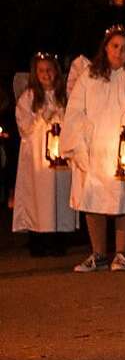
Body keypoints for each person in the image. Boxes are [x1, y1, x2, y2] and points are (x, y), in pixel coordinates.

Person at [63, 25, 125, 272]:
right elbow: (75, 109)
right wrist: (79, 138)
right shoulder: (89, 76)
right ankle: (98, 254)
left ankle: (121, 253)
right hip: (95, 148)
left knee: (123, 200)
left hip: (123, 150)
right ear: (106, 47)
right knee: (93, 198)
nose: (119, 52)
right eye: (115, 46)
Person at [12, 53, 76, 256]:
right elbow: (24, 128)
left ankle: (59, 239)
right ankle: (38, 240)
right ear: (35, 74)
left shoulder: (64, 96)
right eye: (41, 71)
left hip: (61, 157)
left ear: (56, 71)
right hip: (38, 157)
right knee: (39, 196)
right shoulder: (29, 97)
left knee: (60, 194)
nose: (46, 74)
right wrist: (41, 118)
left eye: (49, 70)